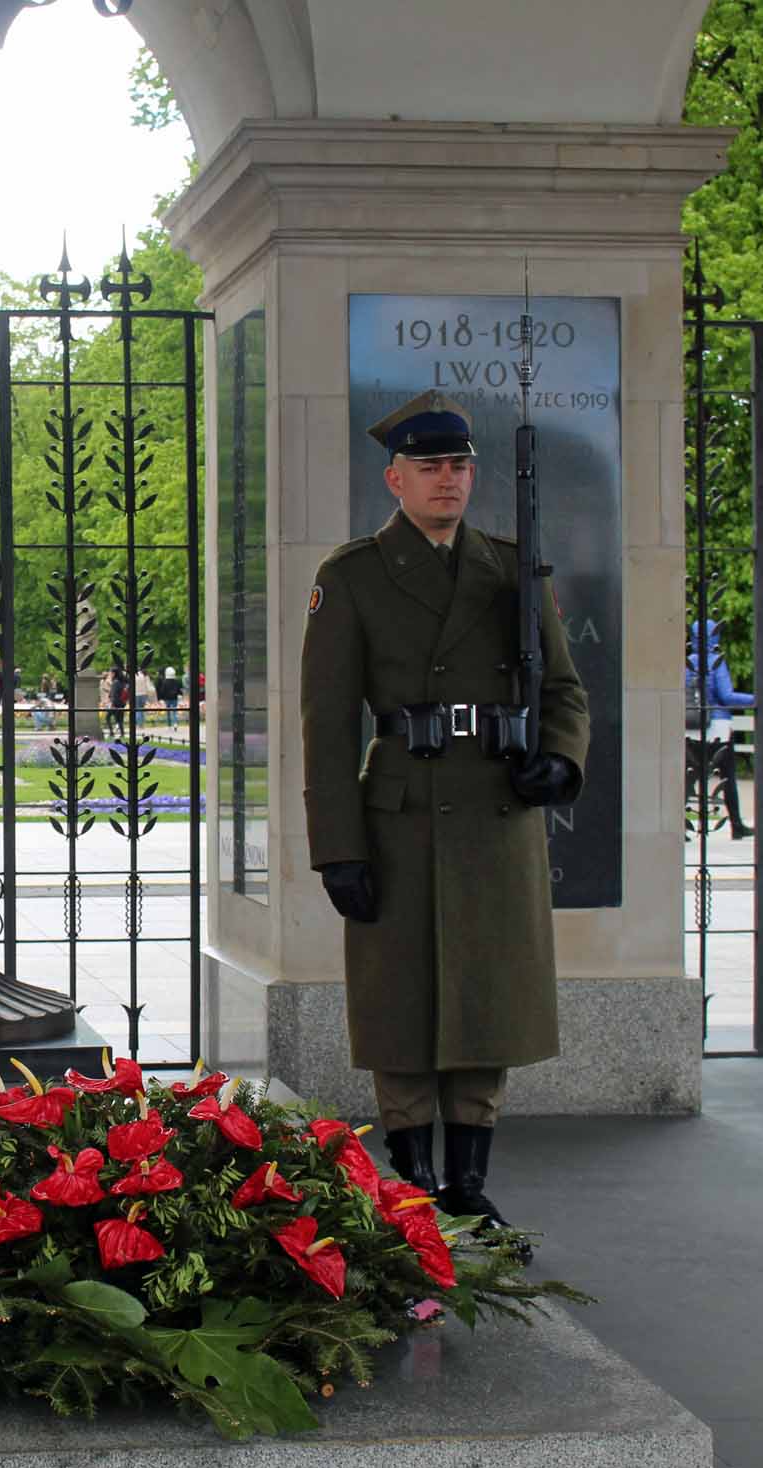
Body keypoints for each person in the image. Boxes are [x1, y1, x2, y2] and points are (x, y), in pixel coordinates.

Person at [299, 390, 588, 1253]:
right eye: (429, 466)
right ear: (395, 479)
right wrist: (337, 848)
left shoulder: (510, 569)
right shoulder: (350, 577)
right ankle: (411, 1186)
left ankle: (469, 1187)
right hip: (403, 811)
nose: (448, 480)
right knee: (402, 1000)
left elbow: (566, 691)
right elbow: (325, 725)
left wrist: (561, 760)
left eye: (459, 465)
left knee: (485, 999)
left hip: (497, 811)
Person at [685, 620, 754, 839]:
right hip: (718, 728)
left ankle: (680, 826)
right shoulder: (716, 662)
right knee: (727, 777)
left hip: (691, 727)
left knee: (688, 777)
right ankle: (736, 825)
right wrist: (756, 699)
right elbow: (726, 696)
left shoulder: (687, 662)